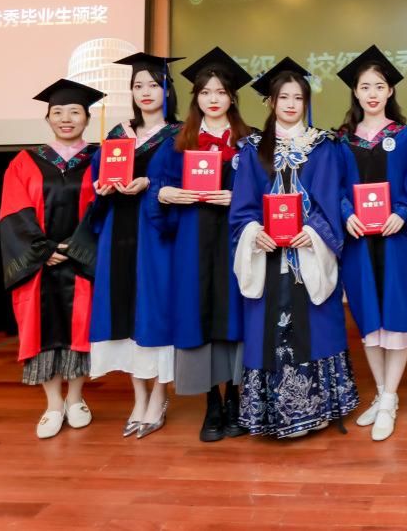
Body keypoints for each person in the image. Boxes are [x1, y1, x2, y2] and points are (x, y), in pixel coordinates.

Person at [229, 58, 359, 438]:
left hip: (308, 254)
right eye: (283, 97)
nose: (290, 104)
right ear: (270, 101)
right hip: (268, 256)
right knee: (267, 328)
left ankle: (318, 409)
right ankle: (273, 415)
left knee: (316, 325)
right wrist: (254, 232)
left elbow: (331, 200)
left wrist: (315, 232)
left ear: (306, 102)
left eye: (298, 98)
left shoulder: (323, 147)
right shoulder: (253, 149)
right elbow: (242, 207)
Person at [148, 47, 254, 441]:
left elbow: (268, 192)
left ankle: (236, 400)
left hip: (234, 242)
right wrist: (166, 194)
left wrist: (239, 200)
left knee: (235, 315)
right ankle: (211, 403)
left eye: (221, 92)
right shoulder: (178, 141)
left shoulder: (249, 142)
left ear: (232, 97)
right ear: (196, 97)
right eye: (206, 92)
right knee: (200, 315)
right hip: (192, 243)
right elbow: (157, 186)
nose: (213, 99)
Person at [0, 79, 102, 438]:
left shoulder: (101, 159)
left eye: (74, 112)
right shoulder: (25, 161)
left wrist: (75, 248)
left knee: (81, 329)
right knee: (42, 329)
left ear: (87, 118)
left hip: (83, 262)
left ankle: (76, 398)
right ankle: (53, 404)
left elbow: (106, 210)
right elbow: (12, 211)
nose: (66, 119)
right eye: (57, 112)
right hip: (40, 265)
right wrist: (44, 250)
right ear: (48, 119)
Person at [87, 52, 183, 439]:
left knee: (153, 310)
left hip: (156, 234)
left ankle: (159, 396)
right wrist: (101, 187)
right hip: (119, 232)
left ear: (167, 90)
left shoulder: (179, 135)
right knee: (124, 310)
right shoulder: (118, 134)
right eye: (138, 85)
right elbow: (98, 176)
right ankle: (138, 397)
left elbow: (185, 183)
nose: (145, 92)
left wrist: (150, 185)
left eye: (153, 85)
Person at [335, 46, 407, 442]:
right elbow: (335, 188)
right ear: (355, 92)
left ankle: (388, 399)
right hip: (358, 240)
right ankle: (384, 394)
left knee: (396, 315)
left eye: (379, 86)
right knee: (369, 317)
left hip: (395, 237)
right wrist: (344, 213)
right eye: (365, 86)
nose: (372, 93)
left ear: (390, 91)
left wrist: (402, 212)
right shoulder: (341, 141)